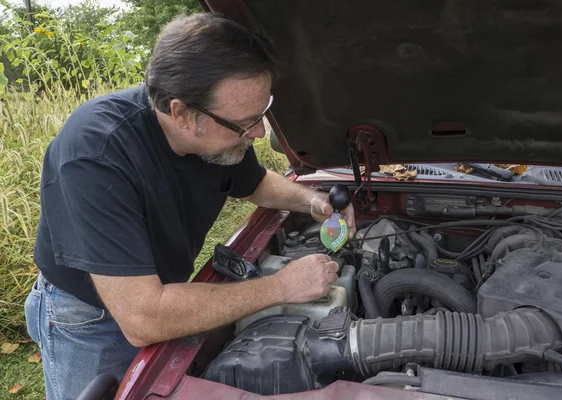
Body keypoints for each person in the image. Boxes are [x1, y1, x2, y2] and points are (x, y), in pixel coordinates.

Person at [24, 12, 355, 400]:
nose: (260, 133)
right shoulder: (95, 154)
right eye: (245, 123)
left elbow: (257, 183)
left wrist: (312, 200)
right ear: (181, 113)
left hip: (164, 293)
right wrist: (282, 285)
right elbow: (143, 317)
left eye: (263, 113)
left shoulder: (219, 136)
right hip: (93, 320)